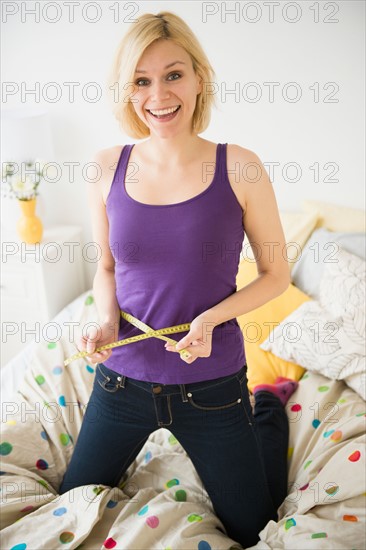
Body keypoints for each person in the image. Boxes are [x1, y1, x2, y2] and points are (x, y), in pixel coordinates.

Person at [59, 11, 298, 548]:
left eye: (173, 75)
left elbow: (276, 274)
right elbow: (106, 267)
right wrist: (103, 322)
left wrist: (214, 317)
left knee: (254, 528)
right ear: (127, 90)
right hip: (122, 380)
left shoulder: (241, 166)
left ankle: (268, 406)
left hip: (213, 386)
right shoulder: (104, 167)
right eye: (141, 81)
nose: (158, 94)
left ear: (198, 79)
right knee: (71, 507)